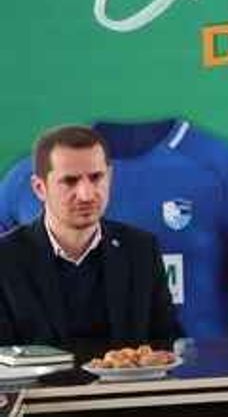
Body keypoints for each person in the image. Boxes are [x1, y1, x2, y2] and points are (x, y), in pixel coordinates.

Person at [0, 125, 182, 345]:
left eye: (96, 177)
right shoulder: (6, 259)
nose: (86, 195)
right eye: (70, 181)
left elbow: (166, 343)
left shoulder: (141, 250)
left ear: (110, 177)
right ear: (40, 188)